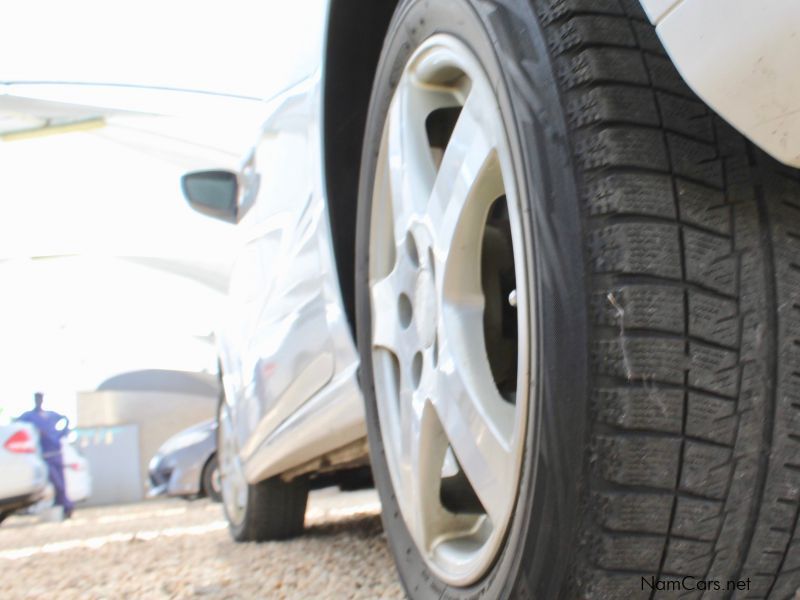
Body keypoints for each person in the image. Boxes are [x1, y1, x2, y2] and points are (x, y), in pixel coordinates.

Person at [17, 392, 74, 519]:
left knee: (61, 482)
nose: (39, 401)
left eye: (41, 398)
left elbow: (65, 419)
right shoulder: (30, 416)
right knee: (55, 482)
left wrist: (63, 433)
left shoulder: (50, 415)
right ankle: (64, 505)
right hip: (44, 454)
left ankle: (66, 506)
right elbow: (17, 422)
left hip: (56, 452)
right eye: (37, 398)